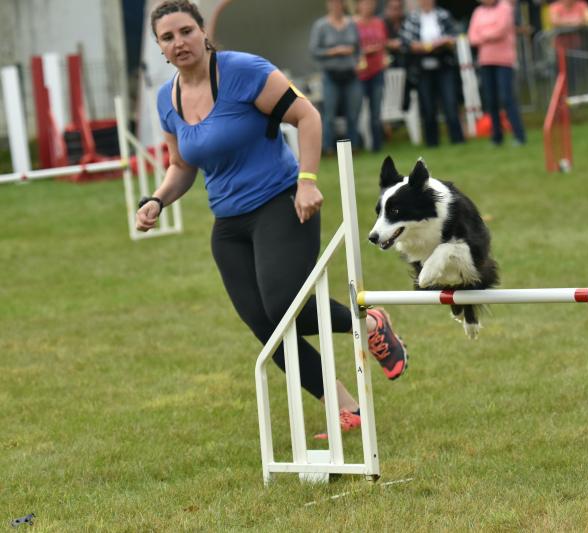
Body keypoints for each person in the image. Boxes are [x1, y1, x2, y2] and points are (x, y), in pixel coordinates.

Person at [140, 0, 409, 436]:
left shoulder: (244, 71)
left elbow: (307, 116)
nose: (179, 42)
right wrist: (157, 199)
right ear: (160, 47)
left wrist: (307, 181)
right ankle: (346, 408)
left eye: (186, 31)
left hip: (281, 203)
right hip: (229, 226)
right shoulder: (166, 99)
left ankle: (371, 321)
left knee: (283, 306)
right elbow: (181, 164)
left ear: (203, 31)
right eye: (167, 37)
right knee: (267, 326)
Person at [400, 0, 465, 147]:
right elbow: (406, 42)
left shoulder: (443, 15)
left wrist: (445, 42)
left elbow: (455, 36)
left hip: (444, 64)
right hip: (422, 66)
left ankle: (457, 139)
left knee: (450, 102)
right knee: (427, 105)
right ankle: (431, 142)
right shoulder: (412, 18)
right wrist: (424, 46)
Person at [468, 0, 527, 146]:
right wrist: (488, 34)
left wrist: (483, 34)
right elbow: (472, 37)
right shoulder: (478, 12)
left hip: (504, 61)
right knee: (491, 100)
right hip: (485, 61)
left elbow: (501, 30)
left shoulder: (505, 7)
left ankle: (519, 135)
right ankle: (496, 137)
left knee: (507, 98)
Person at [309, 0, 363, 155]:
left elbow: (358, 47)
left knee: (353, 113)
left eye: (339, 3)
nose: (336, 6)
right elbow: (314, 51)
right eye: (333, 3)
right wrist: (334, 51)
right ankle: (328, 148)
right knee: (329, 114)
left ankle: (354, 147)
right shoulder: (320, 26)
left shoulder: (351, 24)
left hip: (351, 74)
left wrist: (357, 62)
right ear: (328, 5)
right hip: (331, 75)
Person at [355, 0, 388, 152]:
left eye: (371, 3)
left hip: (377, 71)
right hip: (359, 74)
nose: (368, 7)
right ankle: (358, 144)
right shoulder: (353, 24)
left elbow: (384, 44)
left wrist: (384, 58)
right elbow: (353, 47)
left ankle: (377, 145)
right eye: (365, 3)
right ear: (358, 6)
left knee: (376, 111)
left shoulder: (379, 23)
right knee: (357, 111)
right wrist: (364, 51)